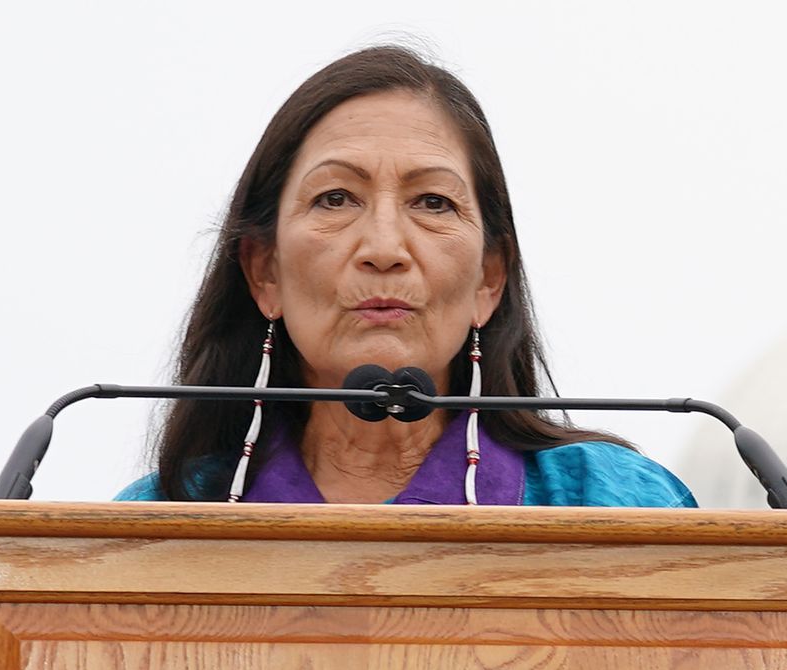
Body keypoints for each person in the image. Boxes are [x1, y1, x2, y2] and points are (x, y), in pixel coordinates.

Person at [117, 46, 695, 508]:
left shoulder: (611, 505)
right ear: (264, 271)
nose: (385, 248)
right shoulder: (151, 524)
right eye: (336, 198)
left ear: (488, 281)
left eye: (434, 203)